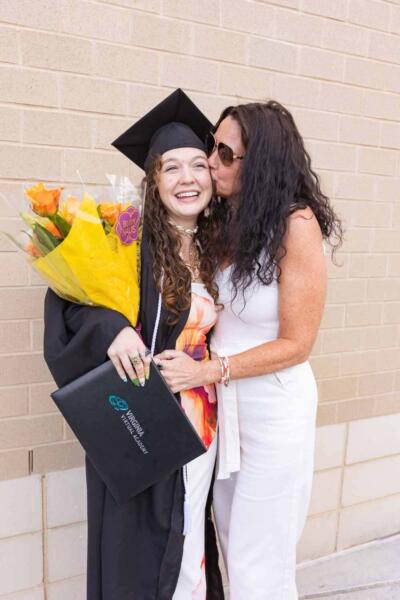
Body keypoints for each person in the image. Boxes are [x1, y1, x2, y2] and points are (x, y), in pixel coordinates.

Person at [154, 100, 343, 599]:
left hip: (274, 410)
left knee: (262, 560)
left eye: (223, 153)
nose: (210, 162)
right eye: (213, 147)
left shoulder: (295, 225)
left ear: (258, 162)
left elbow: (297, 344)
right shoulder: (227, 223)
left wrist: (210, 372)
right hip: (225, 413)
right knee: (232, 547)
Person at [43, 89, 225, 600]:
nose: (187, 178)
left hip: (203, 421)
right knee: (137, 552)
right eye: (171, 168)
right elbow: (70, 301)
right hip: (141, 418)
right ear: (153, 179)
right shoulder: (128, 238)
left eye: (198, 165)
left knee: (189, 543)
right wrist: (112, 330)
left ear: (212, 175)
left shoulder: (219, 250)